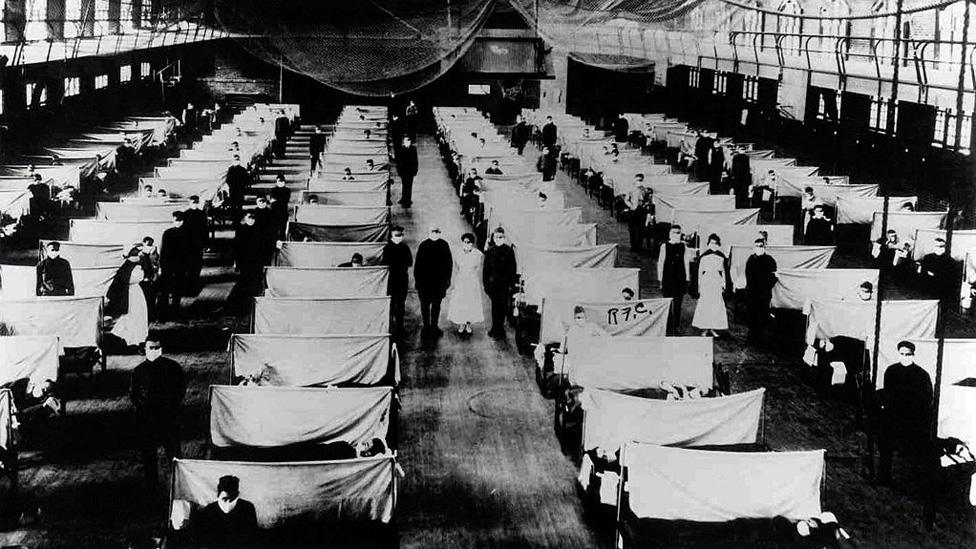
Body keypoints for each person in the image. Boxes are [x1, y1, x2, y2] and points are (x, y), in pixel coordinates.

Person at [876, 340, 933, 485]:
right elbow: (888, 394)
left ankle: (914, 480)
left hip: (912, 417)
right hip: (893, 416)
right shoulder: (891, 371)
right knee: (884, 442)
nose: (905, 357)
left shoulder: (921, 375)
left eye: (908, 354)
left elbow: (926, 399)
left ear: (913, 355)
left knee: (916, 447)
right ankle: (884, 476)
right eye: (902, 354)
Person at [130, 337, 185, 486]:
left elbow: (180, 390)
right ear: (145, 350)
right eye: (151, 348)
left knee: (174, 456)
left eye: (157, 348)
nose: (154, 351)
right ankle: (151, 487)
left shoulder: (173, 368)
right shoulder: (139, 371)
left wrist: (169, 407)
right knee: (148, 457)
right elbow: (134, 395)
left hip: (168, 418)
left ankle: (180, 485)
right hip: (147, 420)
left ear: (161, 349)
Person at [193, 475, 258, 548]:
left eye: (232, 499)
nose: (228, 502)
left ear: (237, 495)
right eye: (224, 499)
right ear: (218, 495)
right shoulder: (209, 510)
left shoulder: (247, 508)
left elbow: (252, 537)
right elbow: (203, 539)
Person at [106, 247, 150, 348]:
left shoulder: (137, 265)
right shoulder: (127, 267)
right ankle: (132, 339)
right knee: (132, 316)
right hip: (129, 294)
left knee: (140, 315)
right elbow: (121, 282)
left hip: (137, 292)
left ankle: (138, 338)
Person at [414, 227, 453, 337]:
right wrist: (418, 281)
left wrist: (447, 280)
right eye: (433, 232)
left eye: (437, 232)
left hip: (439, 283)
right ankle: (426, 327)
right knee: (425, 305)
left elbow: (449, 264)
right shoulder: (423, 245)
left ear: (440, 233)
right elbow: (418, 265)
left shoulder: (444, 245)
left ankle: (434, 326)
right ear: (429, 233)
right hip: (425, 283)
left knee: (436, 305)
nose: (435, 234)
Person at [447, 233, 487, 335]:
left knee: (470, 302)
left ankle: (468, 324)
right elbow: (456, 267)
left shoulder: (477, 254)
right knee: (461, 302)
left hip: (472, 282)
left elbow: (478, 268)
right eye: (464, 242)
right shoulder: (458, 253)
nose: (466, 244)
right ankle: (461, 323)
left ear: (472, 243)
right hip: (461, 281)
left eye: (468, 242)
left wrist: (472, 275)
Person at [225, 212, 265, 314]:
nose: (251, 220)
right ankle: (234, 305)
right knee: (244, 281)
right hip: (244, 261)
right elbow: (237, 247)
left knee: (254, 282)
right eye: (249, 218)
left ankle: (250, 305)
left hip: (257, 261)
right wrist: (236, 262)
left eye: (253, 219)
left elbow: (263, 247)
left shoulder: (259, 229)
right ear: (245, 219)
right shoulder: (241, 230)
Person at [483, 228, 517, 338]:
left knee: (502, 308)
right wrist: (486, 285)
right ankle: (494, 327)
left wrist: (511, 285)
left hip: (504, 285)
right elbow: (486, 270)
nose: (498, 239)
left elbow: (513, 269)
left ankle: (500, 329)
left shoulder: (509, 251)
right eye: (496, 237)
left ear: (504, 237)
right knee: (494, 307)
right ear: (493, 238)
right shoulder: (490, 251)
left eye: (501, 237)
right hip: (493, 285)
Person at [692, 234, 729, 337]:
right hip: (706, 283)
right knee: (706, 305)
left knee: (715, 306)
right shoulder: (703, 257)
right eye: (712, 243)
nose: (714, 245)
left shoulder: (721, 257)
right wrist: (699, 287)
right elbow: (699, 272)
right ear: (708, 244)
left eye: (716, 243)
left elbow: (724, 273)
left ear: (719, 245)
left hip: (716, 283)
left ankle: (712, 328)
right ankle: (704, 328)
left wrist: (723, 285)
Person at [159, 211, 192, 319]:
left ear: (183, 221)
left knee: (178, 289)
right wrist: (161, 265)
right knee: (165, 289)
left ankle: (175, 310)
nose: (177, 223)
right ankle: (163, 311)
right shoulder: (167, 233)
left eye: (179, 221)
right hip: (167, 265)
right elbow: (163, 251)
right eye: (175, 221)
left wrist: (187, 265)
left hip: (180, 265)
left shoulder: (188, 233)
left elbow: (190, 252)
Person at [744, 238, 778, 344]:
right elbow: (748, 275)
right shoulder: (751, 259)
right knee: (751, 315)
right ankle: (751, 337)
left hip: (763, 293)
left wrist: (765, 287)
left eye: (760, 246)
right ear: (754, 248)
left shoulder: (769, 260)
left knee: (762, 316)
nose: (758, 248)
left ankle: (759, 337)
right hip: (752, 293)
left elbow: (774, 276)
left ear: (764, 247)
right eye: (756, 246)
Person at [382, 226, 413, 337]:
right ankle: (390, 328)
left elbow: (410, 262)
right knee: (390, 305)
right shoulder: (387, 249)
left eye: (400, 235)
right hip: (391, 281)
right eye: (396, 235)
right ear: (391, 236)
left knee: (400, 305)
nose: (399, 237)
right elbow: (384, 265)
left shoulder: (405, 248)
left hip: (402, 280)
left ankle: (399, 328)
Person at [657, 225, 688, 336]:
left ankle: (676, 326)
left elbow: (686, 263)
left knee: (678, 305)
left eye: (678, 232)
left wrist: (687, 279)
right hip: (668, 279)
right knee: (668, 303)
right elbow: (660, 263)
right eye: (674, 232)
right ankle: (668, 327)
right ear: (670, 234)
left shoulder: (684, 246)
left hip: (680, 279)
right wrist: (660, 280)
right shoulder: (664, 246)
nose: (676, 234)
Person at [918, 237, 957, 303]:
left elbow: (950, 278)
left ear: (945, 247)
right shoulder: (927, 258)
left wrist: (934, 274)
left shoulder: (950, 261)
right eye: (936, 246)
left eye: (941, 246)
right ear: (933, 247)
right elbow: (923, 273)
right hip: (927, 290)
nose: (939, 248)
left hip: (942, 291)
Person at [183, 196, 208, 296]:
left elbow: (205, 229)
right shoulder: (185, 214)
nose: (194, 204)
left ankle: (195, 281)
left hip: (198, 242)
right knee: (189, 264)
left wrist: (206, 243)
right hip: (188, 243)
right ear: (189, 203)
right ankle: (189, 284)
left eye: (196, 202)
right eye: (193, 202)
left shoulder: (202, 214)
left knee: (198, 263)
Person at [626, 187, 653, 253]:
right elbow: (626, 200)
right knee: (632, 230)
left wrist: (645, 204)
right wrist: (631, 206)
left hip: (642, 211)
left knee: (641, 230)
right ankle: (633, 246)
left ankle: (639, 247)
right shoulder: (630, 189)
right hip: (633, 211)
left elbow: (649, 200)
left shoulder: (645, 190)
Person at [139, 237, 160, 322]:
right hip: (146, 280)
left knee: (151, 300)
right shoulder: (142, 255)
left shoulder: (152, 254)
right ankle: (149, 317)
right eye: (148, 244)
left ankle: (151, 316)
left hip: (150, 279)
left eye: (150, 244)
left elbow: (156, 265)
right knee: (148, 300)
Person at [397, 136, 418, 208]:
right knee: (404, 184)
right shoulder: (401, 149)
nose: (407, 142)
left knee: (409, 185)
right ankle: (403, 198)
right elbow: (399, 161)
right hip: (403, 171)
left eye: (408, 141)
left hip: (410, 171)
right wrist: (399, 171)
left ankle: (408, 199)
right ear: (404, 141)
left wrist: (415, 170)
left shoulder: (413, 149)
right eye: (406, 141)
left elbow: (415, 161)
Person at [269, 175, 291, 239]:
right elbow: (272, 201)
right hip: (274, 213)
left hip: (283, 212)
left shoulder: (287, 190)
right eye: (279, 181)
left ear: (284, 182)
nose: (281, 182)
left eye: (282, 181)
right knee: (274, 230)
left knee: (282, 230)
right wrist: (281, 199)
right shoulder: (273, 190)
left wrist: (276, 200)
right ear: (276, 182)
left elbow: (286, 200)